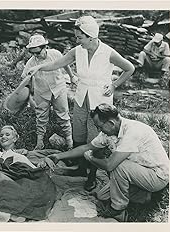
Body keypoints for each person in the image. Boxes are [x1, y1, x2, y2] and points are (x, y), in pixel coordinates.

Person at [26, 15, 135, 191]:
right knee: (78, 132)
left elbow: (130, 68)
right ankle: (80, 167)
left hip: (99, 100)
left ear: (91, 36)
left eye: (79, 37)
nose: (77, 40)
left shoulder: (107, 52)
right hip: (81, 97)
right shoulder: (78, 51)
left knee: (94, 137)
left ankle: (91, 175)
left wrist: (114, 85)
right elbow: (57, 64)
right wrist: (38, 67)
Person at [39, 103, 169, 221]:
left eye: (100, 127)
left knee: (119, 166)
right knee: (102, 196)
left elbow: (109, 165)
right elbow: (87, 147)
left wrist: (91, 159)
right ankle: (144, 196)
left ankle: (118, 209)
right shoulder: (110, 131)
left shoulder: (132, 131)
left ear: (111, 123)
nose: (99, 130)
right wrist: (58, 156)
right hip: (138, 171)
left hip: (157, 175)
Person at [21, 34, 77, 150]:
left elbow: (65, 64)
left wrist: (71, 76)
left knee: (63, 114)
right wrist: (29, 95)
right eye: (33, 53)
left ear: (45, 47)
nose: (36, 55)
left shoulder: (55, 54)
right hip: (41, 91)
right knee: (41, 115)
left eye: (38, 52)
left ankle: (69, 141)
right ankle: (40, 142)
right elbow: (25, 79)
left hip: (58, 88)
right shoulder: (31, 63)